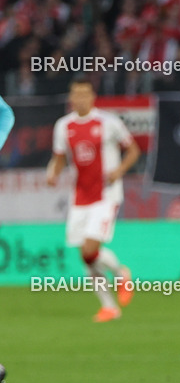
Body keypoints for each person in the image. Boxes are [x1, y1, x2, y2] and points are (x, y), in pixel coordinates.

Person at [46, 77, 140, 322]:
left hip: (106, 195)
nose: (80, 98)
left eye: (85, 94)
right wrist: (53, 172)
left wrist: (119, 171)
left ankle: (121, 274)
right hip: (79, 197)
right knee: (86, 259)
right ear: (71, 98)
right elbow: (58, 157)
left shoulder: (109, 122)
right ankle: (109, 307)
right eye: (76, 94)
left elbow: (133, 150)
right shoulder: (63, 126)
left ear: (92, 97)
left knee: (90, 250)